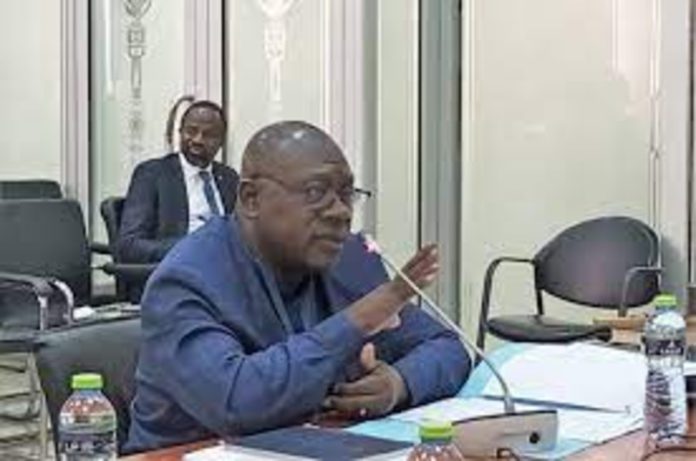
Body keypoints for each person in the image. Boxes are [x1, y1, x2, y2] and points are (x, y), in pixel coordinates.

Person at [126, 121, 471, 453]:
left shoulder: (349, 259)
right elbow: (236, 403)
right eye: (315, 192)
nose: (341, 212)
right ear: (251, 198)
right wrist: (356, 322)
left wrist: (398, 384)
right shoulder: (185, 280)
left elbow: (448, 348)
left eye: (347, 194)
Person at [117, 96, 239, 265]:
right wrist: (189, 248)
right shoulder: (152, 175)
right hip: (179, 269)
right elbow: (129, 245)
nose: (197, 140)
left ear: (221, 142)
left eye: (208, 135)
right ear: (180, 132)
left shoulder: (229, 178)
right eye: (191, 131)